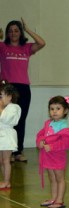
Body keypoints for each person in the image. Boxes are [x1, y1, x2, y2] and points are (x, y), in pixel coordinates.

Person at [0, 19, 46, 162]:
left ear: (20, 32)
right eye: (10, 30)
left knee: (20, 120)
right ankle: (6, 153)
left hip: (23, 88)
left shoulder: (26, 48)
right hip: (7, 87)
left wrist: (28, 29)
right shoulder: (2, 47)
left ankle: (18, 152)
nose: (13, 33)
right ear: (7, 33)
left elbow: (42, 43)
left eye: (16, 30)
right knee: (4, 120)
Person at [36, 96, 69, 208]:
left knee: (59, 178)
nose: (54, 111)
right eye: (52, 109)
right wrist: (40, 142)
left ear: (65, 111)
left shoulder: (64, 126)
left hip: (58, 156)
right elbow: (40, 135)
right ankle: (53, 198)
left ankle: (60, 200)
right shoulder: (48, 123)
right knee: (52, 178)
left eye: (58, 108)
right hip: (48, 156)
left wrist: (52, 146)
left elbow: (67, 142)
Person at [0, 82, 21, 190]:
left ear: (9, 96)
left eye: (0, 96)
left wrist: (1, 109)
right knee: (1, 161)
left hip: (7, 136)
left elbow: (7, 119)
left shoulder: (14, 107)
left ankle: (7, 181)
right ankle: (4, 180)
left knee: (6, 160)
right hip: (1, 137)